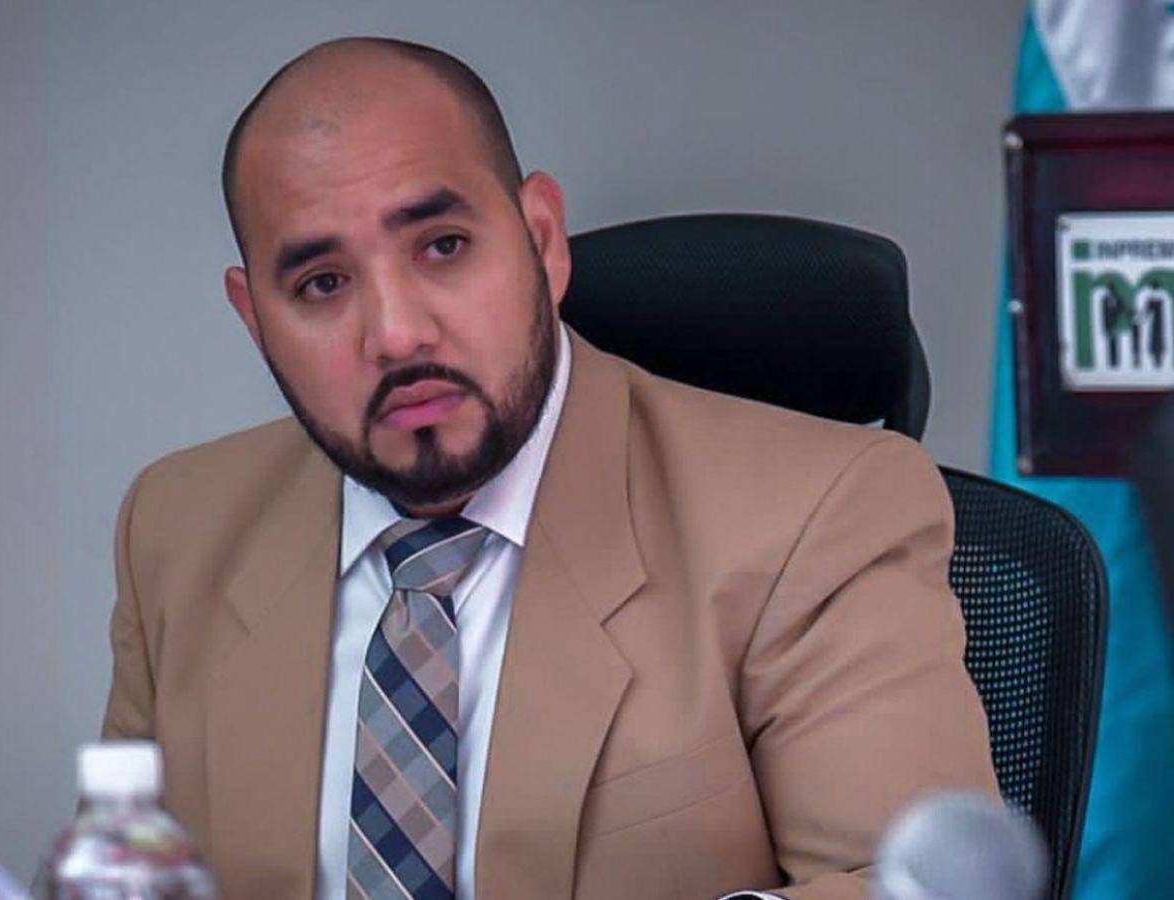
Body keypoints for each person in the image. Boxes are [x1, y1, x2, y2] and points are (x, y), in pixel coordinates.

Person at [101, 37, 998, 900]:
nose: (397, 333)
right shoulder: (177, 528)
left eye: (443, 246)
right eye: (322, 285)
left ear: (542, 238)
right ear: (255, 319)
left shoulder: (820, 514)